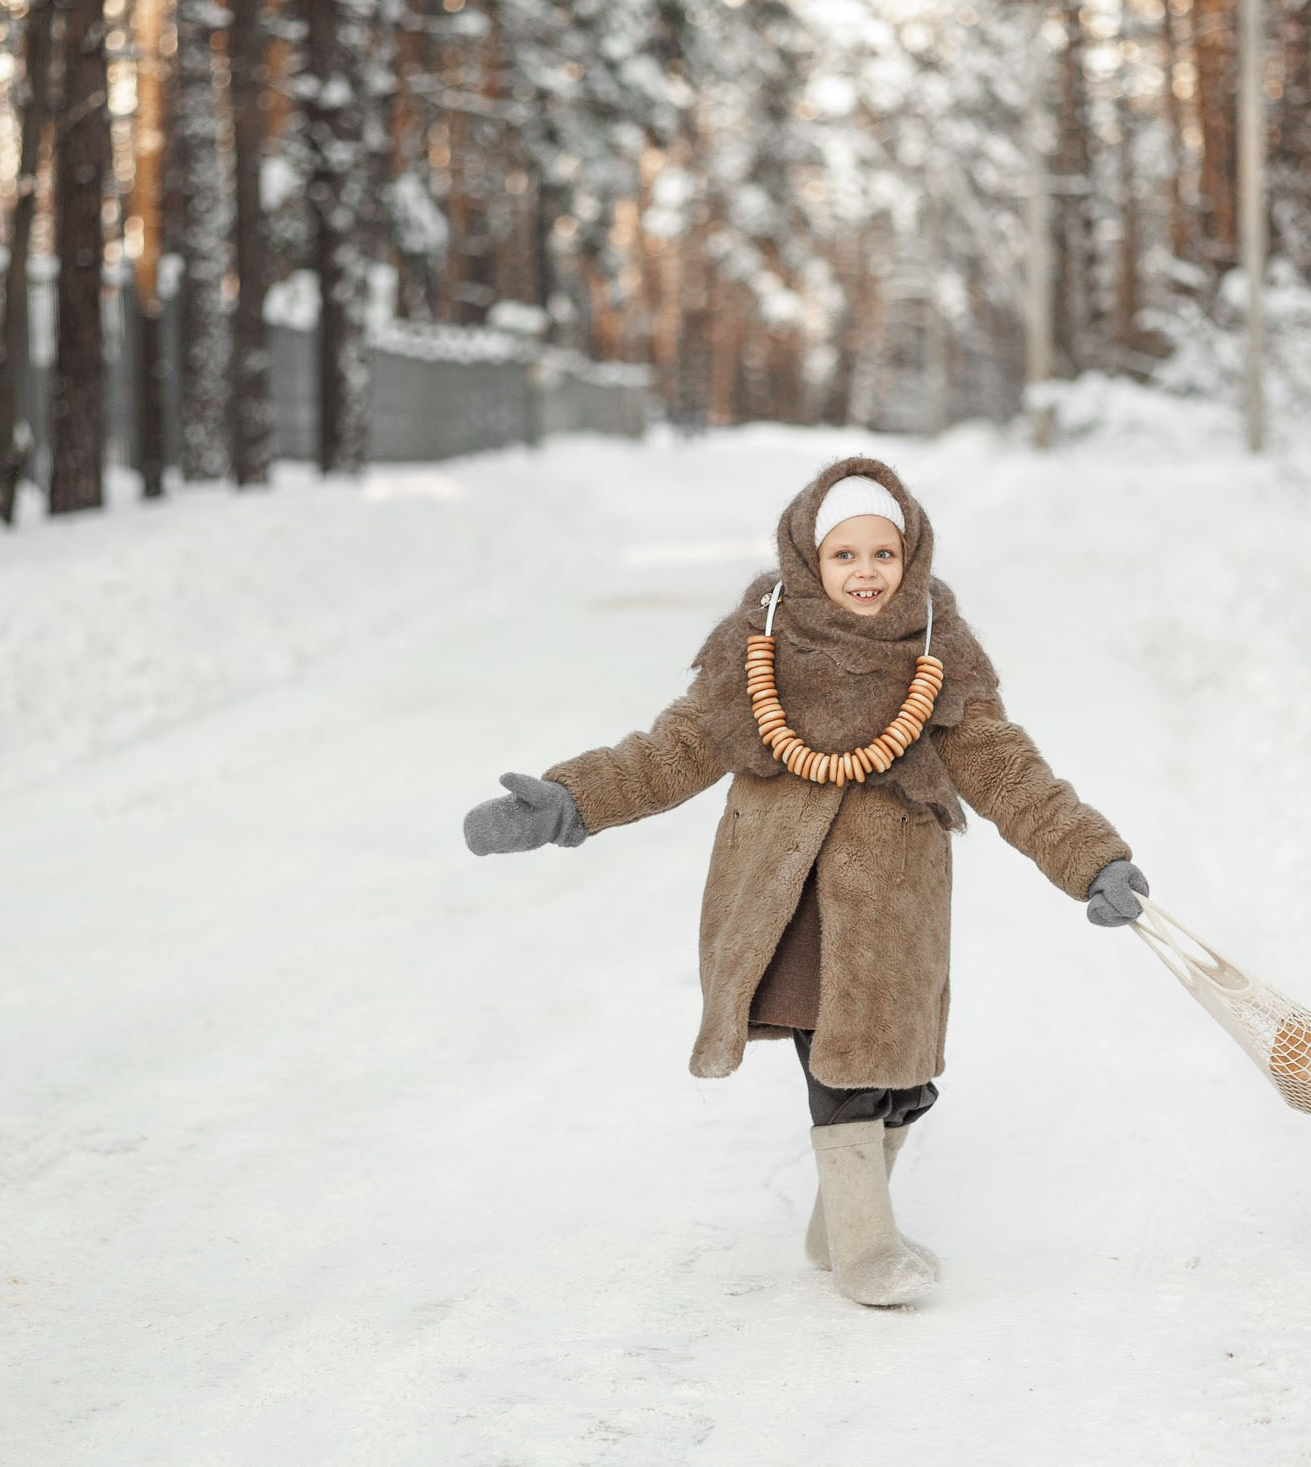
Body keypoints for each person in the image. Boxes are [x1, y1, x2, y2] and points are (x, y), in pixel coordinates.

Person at [461, 456, 1148, 1308]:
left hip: (892, 911)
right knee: (846, 1068)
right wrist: (570, 801)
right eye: (845, 555)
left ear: (913, 557)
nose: (866, 573)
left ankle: (835, 1229)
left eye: (884, 555)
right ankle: (866, 1250)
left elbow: (1010, 773)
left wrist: (1092, 858)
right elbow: (672, 750)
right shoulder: (760, 648)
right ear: (809, 559)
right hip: (790, 904)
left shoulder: (939, 654)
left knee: (904, 1079)